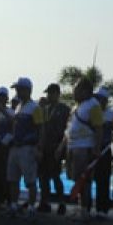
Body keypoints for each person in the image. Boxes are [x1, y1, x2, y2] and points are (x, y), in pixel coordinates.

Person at [61, 77, 104, 220]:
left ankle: (85, 210)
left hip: (84, 147)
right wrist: (62, 146)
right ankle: (80, 207)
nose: (74, 92)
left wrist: (96, 148)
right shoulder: (76, 107)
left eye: (77, 89)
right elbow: (68, 129)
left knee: (84, 180)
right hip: (73, 146)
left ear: (85, 91)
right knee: (77, 179)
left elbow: (99, 128)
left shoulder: (93, 105)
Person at [6, 77, 44, 215]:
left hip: (28, 148)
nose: (17, 91)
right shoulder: (18, 106)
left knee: (30, 180)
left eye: (19, 89)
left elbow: (41, 129)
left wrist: (39, 148)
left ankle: (32, 207)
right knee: (13, 178)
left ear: (27, 90)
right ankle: (14, 205)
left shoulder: (35, 108)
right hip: (15, 147)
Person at [38, 83, 70, 215]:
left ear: (57, 94)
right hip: (44, 147)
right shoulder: (45, 109)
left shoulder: (64, 109)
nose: (49, 95)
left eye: (51, 93)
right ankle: (44, 202)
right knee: (43, 176)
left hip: (56, 146)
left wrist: (62, 148)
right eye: (48, 93)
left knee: (55, 176)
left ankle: (61, 202)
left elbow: (67, 130)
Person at [93, 87, 113, 218]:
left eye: (100, 99)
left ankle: (103, 208)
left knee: (103, 181)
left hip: (105, 151)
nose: (97, 101)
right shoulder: (92, 113)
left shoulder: (112, 115)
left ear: (105, 100)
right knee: (91, 179)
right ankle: (86, 207)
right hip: (92, 150)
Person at [0, 85, 14, 210]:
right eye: (0, 96)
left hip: (6, 146)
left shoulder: (10, 111)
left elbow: (13, 125)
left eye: (4, 97)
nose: (2, 99)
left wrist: (2, 110)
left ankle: (8, 198)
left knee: (6, 174)